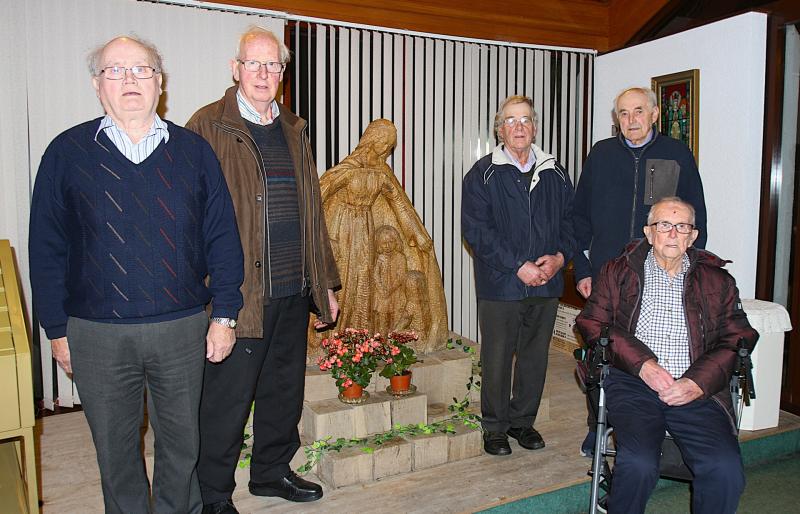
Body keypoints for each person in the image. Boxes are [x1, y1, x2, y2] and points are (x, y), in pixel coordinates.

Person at [28, 36, 244, 513]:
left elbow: (223, 239)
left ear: (159, 83)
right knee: (116, 454)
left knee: (182, 447)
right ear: (97, 85)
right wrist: (57, 330)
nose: (129, 80)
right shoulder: (65, 153)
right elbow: (46, 249)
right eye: (115, 71)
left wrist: (225, 315)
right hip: (96, 334)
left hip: (182, 328)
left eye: (141, 70)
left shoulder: (195, 153)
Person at [185, 26, 340, 513]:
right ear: (235, 69)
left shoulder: (295, 129)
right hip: (239, 296)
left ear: (282, 73)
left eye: (273, 65)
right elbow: (190, 219)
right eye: (254, 64)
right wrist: (208, 295)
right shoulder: (206, 126)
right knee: (226, 404)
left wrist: (325, 284)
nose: (264, 74)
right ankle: (212, 494)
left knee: (282, 392)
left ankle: (271, 472)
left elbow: (312, 212)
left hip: (292, 289)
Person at [575, 197, 758, 514]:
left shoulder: (719, 282)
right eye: (663, 225)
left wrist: (696, 382)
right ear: (648, 233)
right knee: (639, 463)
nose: (672, 233)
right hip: (634, 384)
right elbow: (592, 323)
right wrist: (642, 365)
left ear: (693, 236)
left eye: (682, 226)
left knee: (724, 469)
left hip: (696, 389)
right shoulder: (617, 273)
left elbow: (738, 337)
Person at [572, 86, 707, 455]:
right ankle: (598, 425)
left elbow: (697, 223)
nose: (630, 120)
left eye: (637, 111)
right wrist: (582, 268)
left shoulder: (676, 155)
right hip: (606, 275)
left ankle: (652, 424)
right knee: (599, 355)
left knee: (649, 355)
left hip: (658, 277)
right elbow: (579, 218)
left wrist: (689, 276)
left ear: (654, 114)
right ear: (616, 119)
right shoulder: (600, 154)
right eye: (623, 113)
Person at [462, 95, 575, 456]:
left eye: (525, 120)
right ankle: (494, 428)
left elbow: (574, 222)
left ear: (536, 127)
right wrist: (519, 265)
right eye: (511, 121)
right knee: (497, 357)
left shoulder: (555, 172)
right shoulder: (482, 173)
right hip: (501, 284)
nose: (519, 127)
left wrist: (559, 258)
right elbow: (477, 231)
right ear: (499, 129)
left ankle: (522, 422)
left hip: (547, 282)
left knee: (534, 356)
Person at [318, 118, 448, 354]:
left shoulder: (381, 172)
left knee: (364, 277)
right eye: (386, 144)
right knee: (344, 281)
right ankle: (336, 338)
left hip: (366, 229)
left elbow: (399, 204)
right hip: (344, 228)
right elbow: (319, 195)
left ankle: (360, 337)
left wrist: (418, 235)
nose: (387, 150)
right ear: (374, 141)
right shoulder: (347, 170)